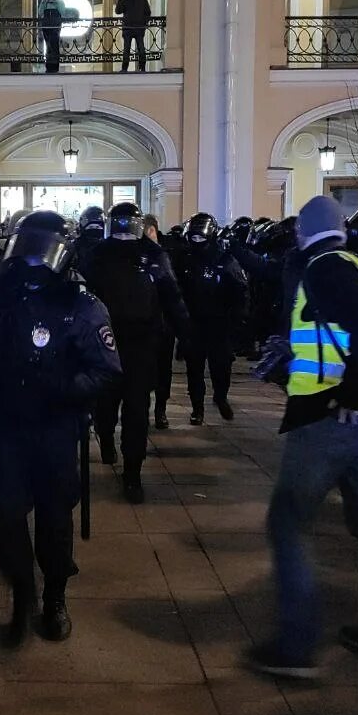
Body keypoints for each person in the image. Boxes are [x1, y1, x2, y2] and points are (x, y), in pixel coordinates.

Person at [248, 196, 358, 679]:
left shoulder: (326, 268)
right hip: (356, 425)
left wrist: (351, 394)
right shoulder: (352, 265)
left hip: (327, 420)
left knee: (287, 523)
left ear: (304, 229)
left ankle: (296, 646)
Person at [0, 212, 121, 646]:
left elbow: (108, 370)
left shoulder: (81, 303)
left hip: (56, 427)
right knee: (5, 514)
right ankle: (23, 591)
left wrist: (63, 387)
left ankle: (55, 594)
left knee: (55, 519)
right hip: (7, 426)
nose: (34, 263)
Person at [81, 202, 189, 504]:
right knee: (112, 403)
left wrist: (184, 332)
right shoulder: (100, 254)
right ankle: (108, 442)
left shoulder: (150, 255)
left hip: (139, 342)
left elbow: (171, 295)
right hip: (108, 340)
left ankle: (132, 471)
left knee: (136, 408)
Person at [177, 212, 248, 425]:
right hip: (193, 323)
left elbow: (240, 289)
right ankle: (197, 408)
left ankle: (221, 397)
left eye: (201, 238)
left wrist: (238, 318)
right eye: (193, 238)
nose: (197, 242)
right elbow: (176, 290)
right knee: (195, 369)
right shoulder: (185, 260)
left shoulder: (224, 260)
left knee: (221, 366)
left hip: (219, 323)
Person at [144, 213, 177, 429]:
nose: (148, 236)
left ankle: (161, 410)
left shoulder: (166, 255)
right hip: (144, 324)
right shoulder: (137, 256)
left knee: (164, 369)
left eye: (151, 231)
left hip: (164, 324)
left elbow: (174, 291)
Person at [114, 0, 152, 72]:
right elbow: (118, 11)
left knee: (141, 49)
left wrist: (144, 24)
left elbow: (148, 13)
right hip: (128, 29)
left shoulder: (143, 0)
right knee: (126, 50)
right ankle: (124, 68)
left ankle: (142, 68)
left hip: (139, 29)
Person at [36, 0, 74, 73]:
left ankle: (55, 65)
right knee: (48, 44)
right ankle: (48, 65)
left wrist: (56, 3)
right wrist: (44, 3)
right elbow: (40, 12)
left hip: (55, 25)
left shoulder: (60, 1)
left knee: (54, 43)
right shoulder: (44, 2)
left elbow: (62, 12)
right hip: (46, 25)